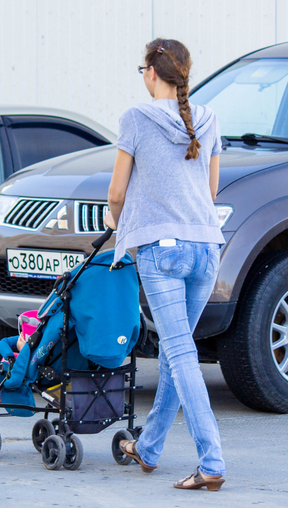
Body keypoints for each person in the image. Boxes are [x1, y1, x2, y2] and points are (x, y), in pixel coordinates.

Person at [104, 38, 226, 491]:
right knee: (180, 354)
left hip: (163, 251)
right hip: (205, 249)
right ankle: (149, 447)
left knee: (179, 353)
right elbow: (210, 193)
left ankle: (212, 462)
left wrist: (119, 221)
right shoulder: (209, 118)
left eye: (142, 70)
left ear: (151, 72)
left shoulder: (136, 119)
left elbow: (116, 192)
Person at [0, 310, 40, 402]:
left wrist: (22, 350)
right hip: (53, 370)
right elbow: (4, 342)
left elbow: (4, 342)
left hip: (34, 370)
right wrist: (9, 356)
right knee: (11, 357)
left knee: (12, 359)